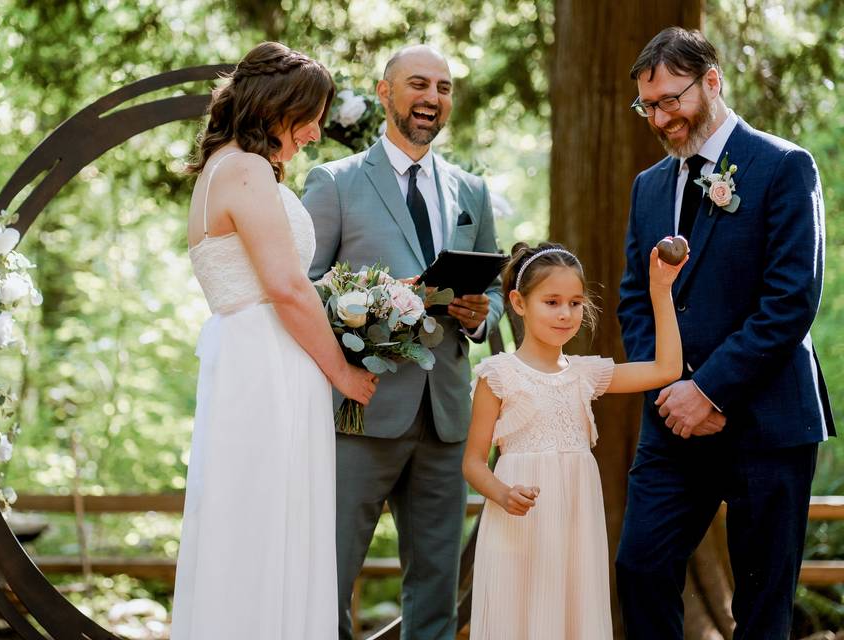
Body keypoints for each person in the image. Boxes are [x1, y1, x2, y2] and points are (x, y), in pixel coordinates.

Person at [616, 27, 835, 640]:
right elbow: (637, 299)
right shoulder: (649, 186)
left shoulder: (785, 166)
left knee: (763, 604)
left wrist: (708, 391)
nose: (660, 119)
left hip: (766, 420)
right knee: (640, 567)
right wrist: (671, 388)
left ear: (711, 81)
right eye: (648, 106)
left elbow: (791, 301)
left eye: (671, 100)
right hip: (671, 422)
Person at [170, 42, 376, 640]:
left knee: (253, 516)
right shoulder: (245, 168)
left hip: (253, 356)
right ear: (275, 106)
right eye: (308, 116)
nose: (315, 131)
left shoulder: (225, 168)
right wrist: (344, 375)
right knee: (266, 518)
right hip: (267, 363)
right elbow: (287, 287)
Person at [302, 44, 503, 639]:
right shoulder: (334, 182)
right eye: (418, 84)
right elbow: (304, 289)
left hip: (445, 417)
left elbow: (493, 294)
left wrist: (476, 315)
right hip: (361, 411)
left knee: (437, 588)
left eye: (442, 88)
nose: (431, 98)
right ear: (385, 92)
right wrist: (375, 301)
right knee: (330, 576)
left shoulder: (471, 191)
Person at [463, 241, 685, 639]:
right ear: (518, 302)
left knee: (572, 615)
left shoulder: (586, 374)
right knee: (521, 617)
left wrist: (661, 290)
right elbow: (474, 463)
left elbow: (667, 368)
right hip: (521, 522)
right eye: (551, 302)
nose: (565, 314)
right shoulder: (497, 375)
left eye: (575, 302)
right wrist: (501, 492)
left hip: (576, 520)